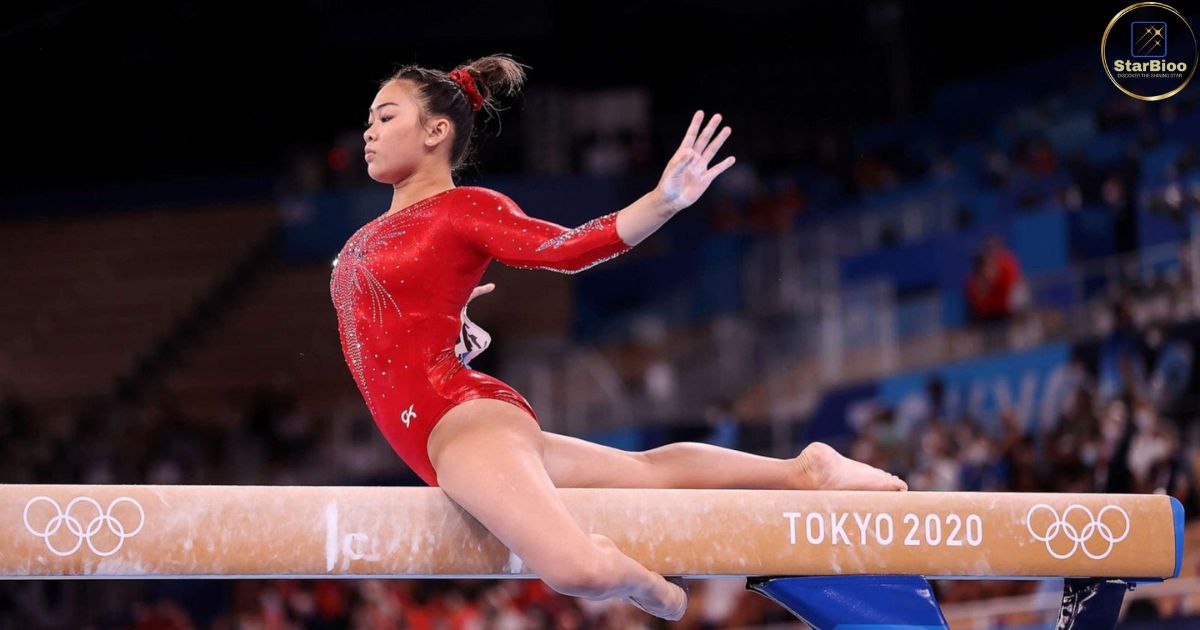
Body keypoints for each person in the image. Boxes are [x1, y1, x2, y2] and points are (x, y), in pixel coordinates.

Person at [331, 53, 907, 621]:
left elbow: (564, 248)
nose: (368, 131)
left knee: (579, 571)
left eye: (385, 117)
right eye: (369, 120)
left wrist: (663, 200)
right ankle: (803, 472)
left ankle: (659, 593)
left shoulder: (462, 208)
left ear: (437, 130)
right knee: (645, 472)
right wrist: (447, 319)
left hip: (459, 425)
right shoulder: (373, 232)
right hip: (447, 431)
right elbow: (397, 319)